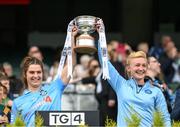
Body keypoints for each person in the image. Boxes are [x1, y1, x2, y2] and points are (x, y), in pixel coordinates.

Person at [97, 38, 171, 126]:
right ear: (129, 68)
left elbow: (164, 118)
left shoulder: (156, 91)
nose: (141, 68)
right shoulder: (121, 85)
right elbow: (104, 61)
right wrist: (101, 34)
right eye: (137, 65)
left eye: (144, 65)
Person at [11, 30, 77, 127]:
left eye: (39, 72)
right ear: (25, 74)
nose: (36, 76)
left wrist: (71, 38)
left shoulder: (54, 88)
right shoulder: (17, 102)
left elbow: (71, 65)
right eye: (32, 72)